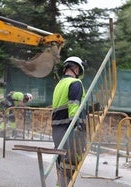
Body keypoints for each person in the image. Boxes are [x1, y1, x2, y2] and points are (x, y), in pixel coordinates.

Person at [52, 56, 86, 187]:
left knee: (61, 163)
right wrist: (78, 127)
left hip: (57, 129)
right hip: (69, 130)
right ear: (76, 68)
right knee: (70, 165)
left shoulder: (59, 85)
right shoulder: (75, 83)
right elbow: (73, 107)